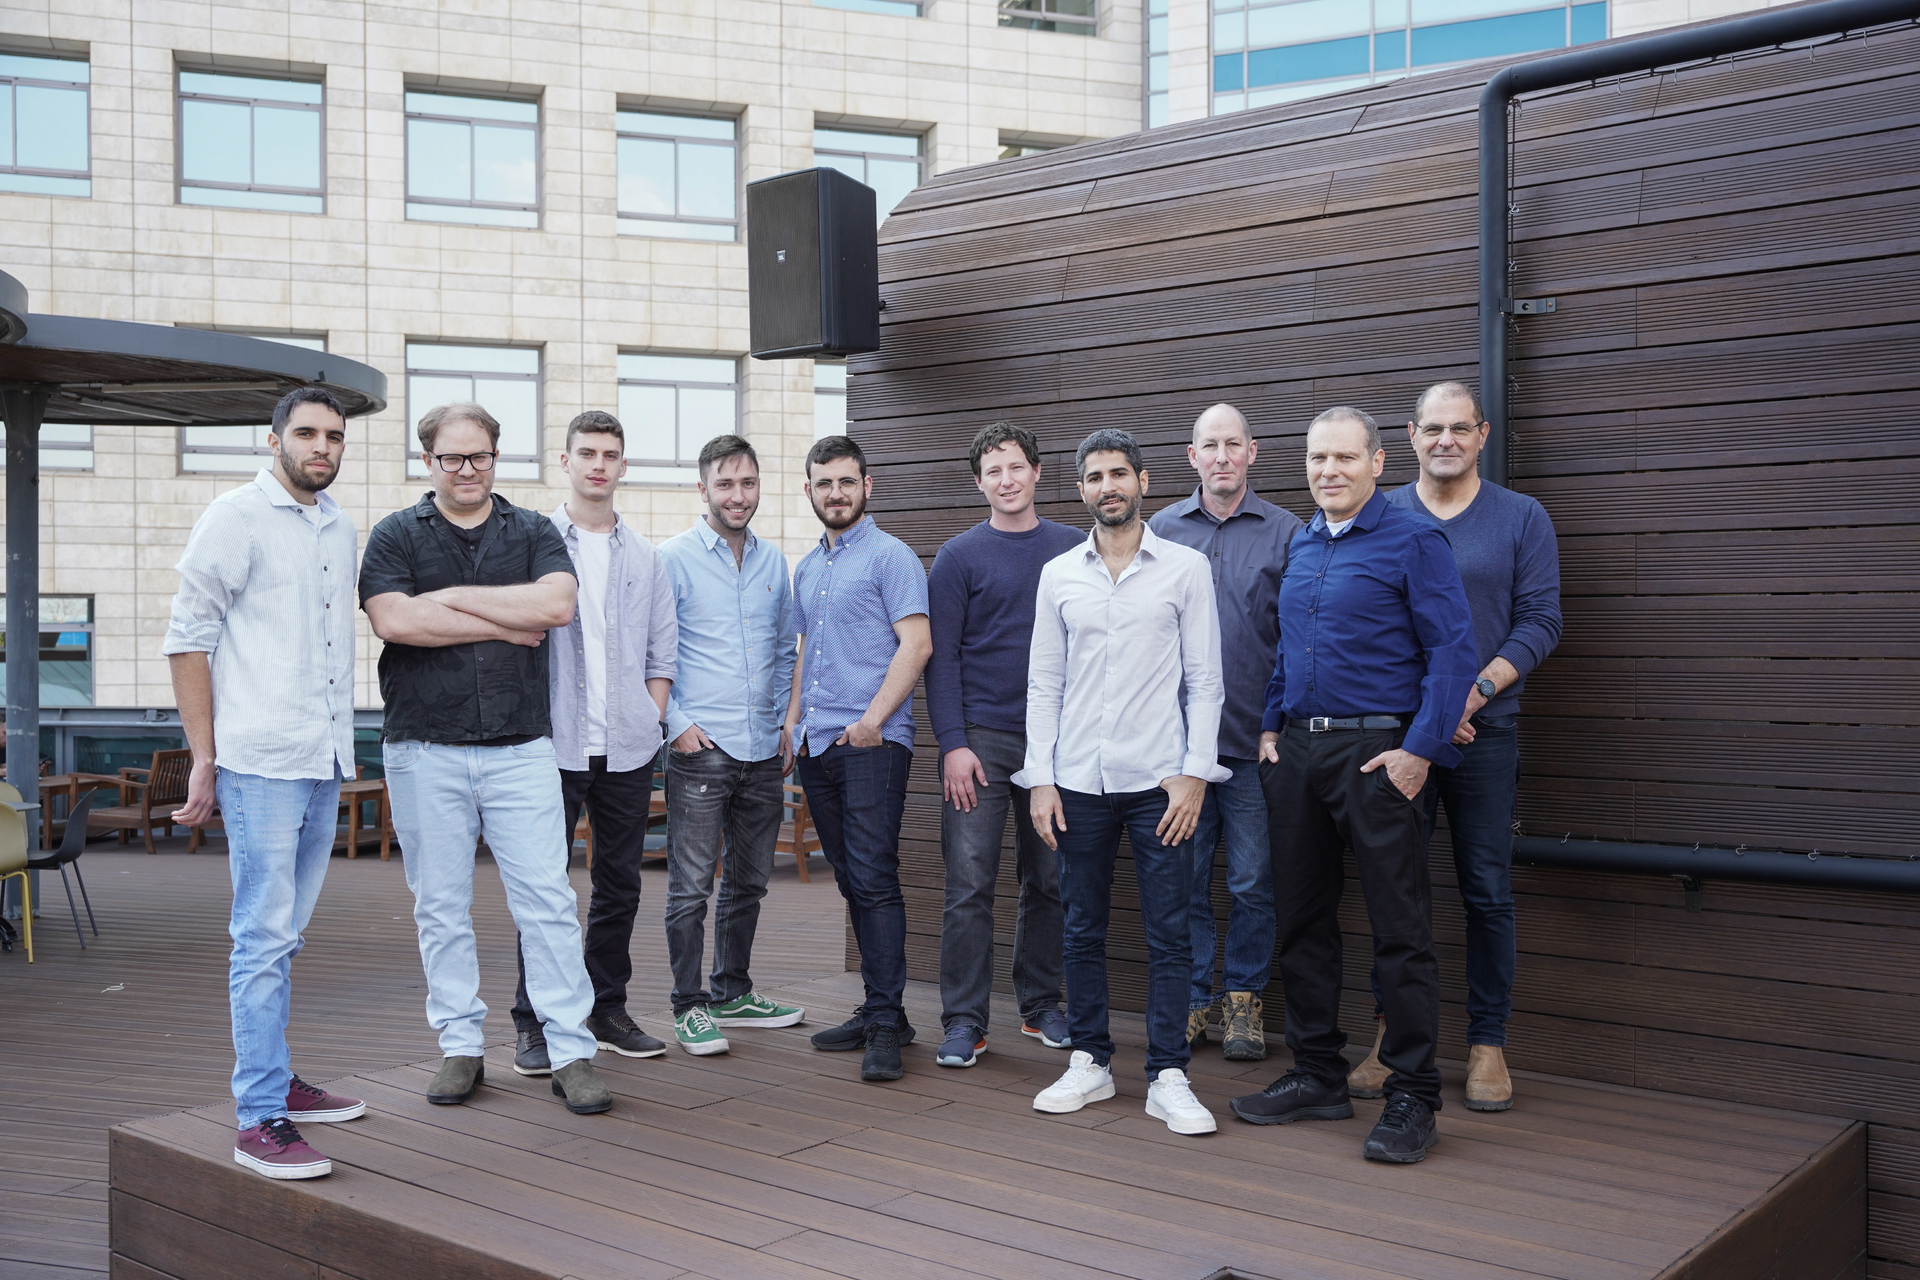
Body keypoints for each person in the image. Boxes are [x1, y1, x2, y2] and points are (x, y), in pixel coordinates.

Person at [1229, 406, 1476, 1165]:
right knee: (1301, 921)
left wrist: (1419, 752)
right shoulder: (1303, 542)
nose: (1328, 471)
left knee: (1400, 932)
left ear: (1377, 464)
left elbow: (1454, 652)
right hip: (1298, 756)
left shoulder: (1413, 540)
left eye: (1343, 458)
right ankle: (1316, 1073)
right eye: (1315, 459)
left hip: (1380, 755)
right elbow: (1286, 650)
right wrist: (1271, 727)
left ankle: (1413, 1095)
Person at [360, 401, 613, 1116]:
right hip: (422, 746)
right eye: (451, 458)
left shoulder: (532, 531)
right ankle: (461, 1046)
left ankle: (570, 1052)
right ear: (428, 461)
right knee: (440, 905)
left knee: (549, 902)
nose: (466, 470)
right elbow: (394, 619)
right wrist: (507, 616)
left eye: (479, 457)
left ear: (496, 458)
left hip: (520, 746)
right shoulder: (393, 536)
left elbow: (556, 607)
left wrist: (450, 601)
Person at [164, 387, 367, 1180]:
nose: (323, 447)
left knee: (284, 936)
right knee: (260, 940)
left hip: (322, 759)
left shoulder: (338, 524)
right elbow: (187, 638)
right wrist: (203, 755)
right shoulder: (233, 517)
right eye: (309, 433)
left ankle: (277, 1077)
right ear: (274, 439)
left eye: (335, 437)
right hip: (258, 762)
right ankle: (258, 1118)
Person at [1342, 382, 1561, 1111]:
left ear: (1482, 434)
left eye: (1458, 428)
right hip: (1399, 734)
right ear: (1409, 435)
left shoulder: (1520, 518)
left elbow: (1539, 622)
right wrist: (1429, 710)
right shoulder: (1382, 514)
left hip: (1484, 731)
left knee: (1486, 889)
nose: (1445, 440)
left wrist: (1470, 695)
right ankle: (1392, 1038)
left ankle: (1488, 1044)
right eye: (1432, 428)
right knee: (1395, 889)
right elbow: (1367, 622)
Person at [1018, 428, 1228, 1137]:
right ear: (1079, 489)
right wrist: (1040, 780)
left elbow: (1206, 682)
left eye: (1119, 473)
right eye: (1094, 477)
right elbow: (1043, 684)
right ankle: (1091, 1061)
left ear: (1143, 481)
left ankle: (1168, 1074)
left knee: (1170, 933)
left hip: (1160, 784)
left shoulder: (1186, 569)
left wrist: (1196, 775)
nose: (1108, 486)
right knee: (1080, 927)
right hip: (1076, 782)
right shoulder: (1058, 575)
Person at [507, 411, 679, 1077]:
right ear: (566, 461)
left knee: (619, 886)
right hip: (552, 746)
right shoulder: (533, 543)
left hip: (629, 748)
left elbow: (662, 650)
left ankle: (606, 1009)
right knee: (543, 890)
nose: (599, 464)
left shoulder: (645, 556)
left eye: (610, 453)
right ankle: (537, 1022)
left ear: (623, 465)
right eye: (588, 453)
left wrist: (650, 713)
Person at [925, 422, 1081, 1068]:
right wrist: (953, 744)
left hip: (1060, 739)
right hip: (982, 740)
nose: (1007, 480)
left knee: (1049, 878)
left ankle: (1041, 1004)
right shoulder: (958, 557)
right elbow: (943, 660)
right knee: (969, 884)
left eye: (1016, 467)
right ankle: (964, 1020)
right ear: (979, 482)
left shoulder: (1075, 547)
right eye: (994, 471)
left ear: (1037, 471)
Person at [1148, 403, 1301, 1062]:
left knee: (1250, 883)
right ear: (1192, 456)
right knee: (1183, 884)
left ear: (1252, 452)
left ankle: (1244, 1001)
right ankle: (1192, 1002)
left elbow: (1299, 639)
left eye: (1232, 444)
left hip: (1248, 746)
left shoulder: (1287, 533)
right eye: (1208, 445)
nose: (1220, 456)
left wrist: (1277, 721)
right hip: (1174, 752)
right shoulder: (1157, 530)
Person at [786, 434, 931, 1084]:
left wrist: (873, 721)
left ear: (867, 485)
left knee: (872, 877)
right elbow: (806, 649)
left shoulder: (891, 556)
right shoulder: (809, 567)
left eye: (846, 481)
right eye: (824, 483)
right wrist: (792, 723)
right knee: (850, 878)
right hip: (817, 745)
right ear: (811, 491)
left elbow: (917, 644)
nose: (835, 493)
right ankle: (884, 1012)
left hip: (870, 744)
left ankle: (884, 1021)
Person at [658, 434, 806, 1056]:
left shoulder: (775, 563)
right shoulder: (671, 559)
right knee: (691, 886)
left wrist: (785, 723)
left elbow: (784, 649)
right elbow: (652, 652)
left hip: (762, 749)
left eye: (747, 483)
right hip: (702, 746)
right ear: (703, 489)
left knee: (749, 881)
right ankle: (688, 1006)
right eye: (725, 484)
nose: (737, 495)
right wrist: (678, 723)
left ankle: (732, 990)